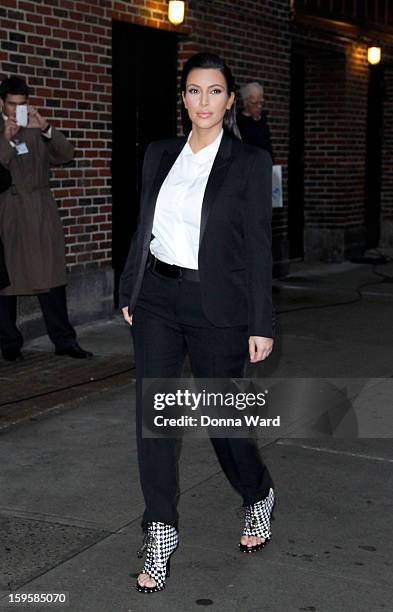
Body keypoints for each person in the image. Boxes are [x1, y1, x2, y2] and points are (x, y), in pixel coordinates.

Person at [120, 53, 275, 594]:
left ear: (230, 100)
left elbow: (258, 246)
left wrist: (262, 321)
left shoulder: (249, 163)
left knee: (223, 423)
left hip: (220, 309)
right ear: (182, 97)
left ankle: (257, 493)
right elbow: (144, 227)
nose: (203, 101)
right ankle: (160, 531)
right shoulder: (159, 154)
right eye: (193, 91)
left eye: (214, 91)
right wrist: (130, 289)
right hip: (158, 298)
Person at [0, 77, 92, 361]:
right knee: (7, 281)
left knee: (52, 277)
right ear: (2, 103)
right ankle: (10, 344)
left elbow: (66, 155)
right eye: (12, 105)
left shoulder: (35, 126)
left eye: (22, 104)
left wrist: (47, 129)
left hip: (41, 209)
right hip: (10, 209)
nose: (17, 110)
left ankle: (64, 340)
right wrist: (6, 139)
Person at [237, 81, 274, 162]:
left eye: (261, 102)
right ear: (245, 102)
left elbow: (268, 149)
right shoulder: (238, 123)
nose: (259, 106)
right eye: (254, 103)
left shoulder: (263, 121)